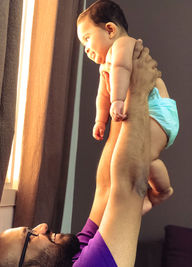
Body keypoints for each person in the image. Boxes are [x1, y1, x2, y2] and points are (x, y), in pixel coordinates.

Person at [0, 40, 160, 267]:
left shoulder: (69, 256)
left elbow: (105, 188)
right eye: (30, 237)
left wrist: (118, 99)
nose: (42, 226)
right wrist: (138, 91)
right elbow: (131, 185)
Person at [77, 0, 179, 211]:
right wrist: (100, 120)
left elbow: (122, 69)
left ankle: (161, 192)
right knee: (141, 159)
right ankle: (158, 192)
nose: (86, 49)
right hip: (147, 112)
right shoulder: (105, 66)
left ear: (110, 29)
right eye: (83, 44)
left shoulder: (123, 45)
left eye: (87, 39)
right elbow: (102, 95)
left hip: (158, 111)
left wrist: (118, 100)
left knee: (141, 157)